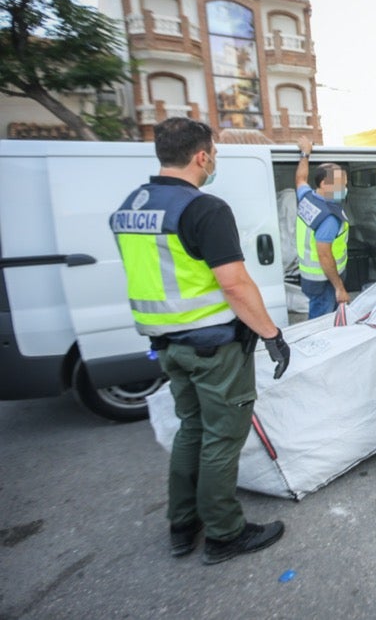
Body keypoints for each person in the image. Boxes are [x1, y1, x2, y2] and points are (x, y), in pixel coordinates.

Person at [109, 118, 290, 564]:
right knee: (222, 439)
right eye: (215, 155)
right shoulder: (203, 209)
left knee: (191, 430)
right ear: (201, 156)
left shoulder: (130, 207)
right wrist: (271, 334)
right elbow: (234, 284)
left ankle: (182, 523)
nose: (214, 163)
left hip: (168, 346)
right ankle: (225, 533)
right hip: (213, 347)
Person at [294, 137, 349, 318]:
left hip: (310, 276)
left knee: (318, 315)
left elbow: (300, 179)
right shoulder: (329, 217)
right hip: (325, 280)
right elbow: (324, 255)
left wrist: (305, 154)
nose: (345, 188)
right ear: (324, 184)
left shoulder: (307, 197)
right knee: (322, 323)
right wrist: (339, 287)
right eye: (341, 184)